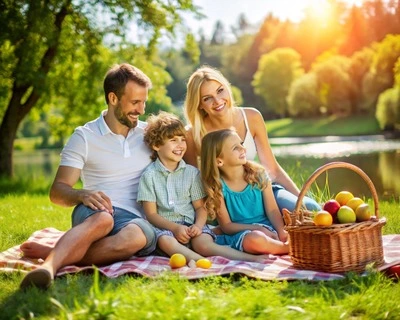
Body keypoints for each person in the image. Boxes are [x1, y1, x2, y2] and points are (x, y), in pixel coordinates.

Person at [19, 63, 157, 289]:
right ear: (113, 98)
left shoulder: (149, 134)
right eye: (135, 102)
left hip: (134, 220)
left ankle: (59, 252)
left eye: (144, 102)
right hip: (94, 212)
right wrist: (82, 194)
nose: (141, 110)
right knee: (104, 218)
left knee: (136, 237)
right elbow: (58, 191)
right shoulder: (84, 136)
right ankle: (49, 268)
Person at [183, 65, 320, 214]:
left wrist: (300, 199)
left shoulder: (252, 117)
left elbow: (273, 170)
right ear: (200, 104)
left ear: (227, 89)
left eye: (220, 90)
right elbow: (194, 182)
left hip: (263, 191)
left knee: (311, 208)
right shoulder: (192, 133)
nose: (217, 101)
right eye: (207, 98)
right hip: (227, 203)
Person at [137, 111, 270, 264]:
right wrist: (175, 228)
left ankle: (249, 259)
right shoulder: (149, 176)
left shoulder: (192, 173)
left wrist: (198, 226)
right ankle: (201, 261)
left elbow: (200, 208)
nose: (180, 145)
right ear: (156, 145)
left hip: (193, 226)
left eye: (182, 139)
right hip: (165, 229)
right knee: (166, 242)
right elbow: (152, 215)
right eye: (173, 140)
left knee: (203, 243)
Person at [200, 128, 289, 255]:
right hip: (243, 233)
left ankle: (278, 245)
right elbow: (227, 226)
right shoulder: (217, 186)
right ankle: (288, 249)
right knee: (255, 239)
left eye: (241, 144)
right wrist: (257, 229)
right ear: (219, 161)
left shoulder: (259, 175)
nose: (243, 149)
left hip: (269, 229)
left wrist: (281, 232)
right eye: (235, 148)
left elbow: (273, 210)